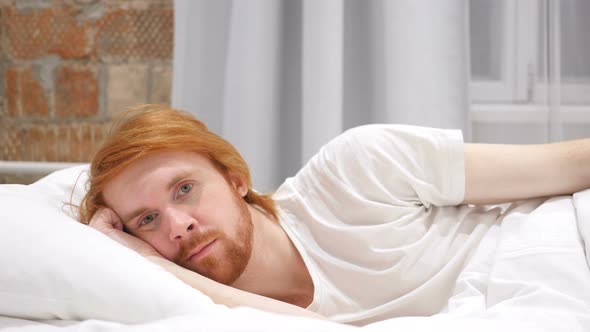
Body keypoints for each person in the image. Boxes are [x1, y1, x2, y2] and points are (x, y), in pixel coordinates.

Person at [79, 104, 590, 325]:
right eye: (147, 221)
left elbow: (563, 165)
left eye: (186, 189)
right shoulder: (220, 316)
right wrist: (144, 262)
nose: (177, 225)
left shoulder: (357, 169)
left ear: (236, 178)